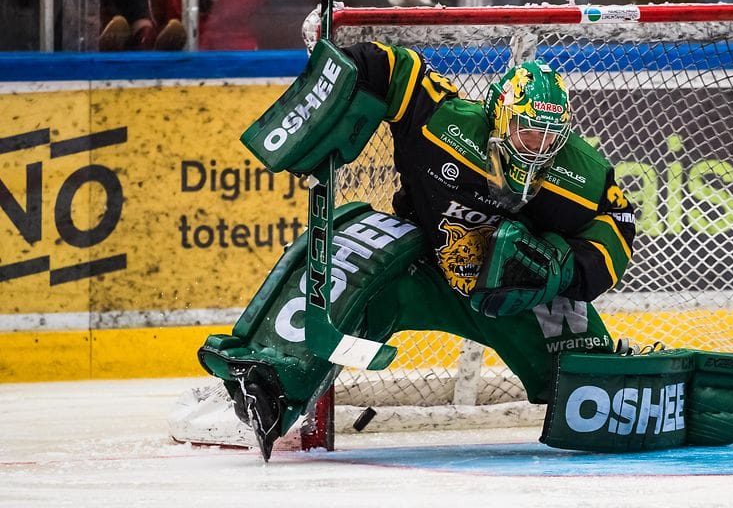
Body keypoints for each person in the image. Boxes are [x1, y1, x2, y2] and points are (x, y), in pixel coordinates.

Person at [199, 39, 637, 460]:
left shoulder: (584, 174)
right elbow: (387, 67)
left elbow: (617, 229)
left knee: (597, 388)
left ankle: (615, 392)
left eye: (549, 136)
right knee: (347, 254)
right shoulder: (446, 123)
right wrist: (326, 97)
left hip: (507, 287)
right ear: (499, 118)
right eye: (526, 132)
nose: (538, 146)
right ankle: (267, 382)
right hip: (418, 259)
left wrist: (558, 269)